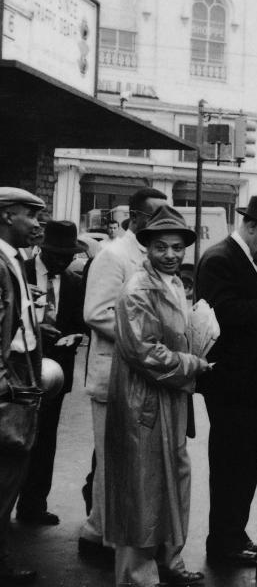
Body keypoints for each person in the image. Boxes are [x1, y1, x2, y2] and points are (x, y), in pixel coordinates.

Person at [103, 205, 210, 587]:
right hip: (142, 402)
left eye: (177, 247)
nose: (170, 255)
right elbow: (143, 350)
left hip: (169, 397)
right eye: (162, 247)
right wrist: (191, 363)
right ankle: (138, 576)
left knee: (172, 477)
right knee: (142, 486)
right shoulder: (138, 289)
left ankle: (170, 560)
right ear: (147, 247)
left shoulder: (176, 284)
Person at [195, 195, 257, 566]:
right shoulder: (221, 258)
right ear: (251, 226)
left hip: (249, 384)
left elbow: (243, 313)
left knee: (245, 463)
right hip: (234, 385)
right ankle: (223, 542)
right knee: (231, 464)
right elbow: (219, 312)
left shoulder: (245, 260)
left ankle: (234, 534)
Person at [80, 188, 168, 563]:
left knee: (128, 461)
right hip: (113, 374)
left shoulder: (150, 256)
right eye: (154, 216)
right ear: (135, 217)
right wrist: (145, 336)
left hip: (139, 375)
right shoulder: (114, 256)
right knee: (112, 461)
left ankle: (114, 534)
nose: (162, 222)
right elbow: (96, 312)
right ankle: (99, 535)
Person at [16, 221, 86, 526]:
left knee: (45, 441)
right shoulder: (19, 271)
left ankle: (34, 505)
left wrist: (74, 336)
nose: (63, 260)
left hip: (57, 373)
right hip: (21, 371)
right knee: (15, 439)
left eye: (68, 255)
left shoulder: (74, 281)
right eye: (57, 254)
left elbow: (81, 322)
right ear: (43, 249)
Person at [0, 187, 45, 585]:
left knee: (12, 470)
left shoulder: (15, 260)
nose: (37, 223)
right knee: (6, 470)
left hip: (21, 377)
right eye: (29, 215)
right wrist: (6, 390)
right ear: (5, 216)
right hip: (9, 383)